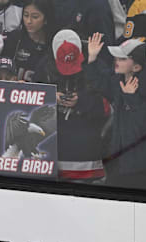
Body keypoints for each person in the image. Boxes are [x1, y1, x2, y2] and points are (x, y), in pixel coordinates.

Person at [84, 33, 146, 191]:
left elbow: (145, 124)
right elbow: (99, 83)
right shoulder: (118, 80)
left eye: (122, 59)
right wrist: (92, 58)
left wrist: (130, 98)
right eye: (116, 58)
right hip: (118, 161)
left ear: (136, 66)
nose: (116, 61)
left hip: (142, 166)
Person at [34, 29, 109, 182]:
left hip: (86, 157)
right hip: (50, 155)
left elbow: (109, 106)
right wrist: (50, 97)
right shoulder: (43, 65)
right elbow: (29, 102)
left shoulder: (96, 65)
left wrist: (81, 101)